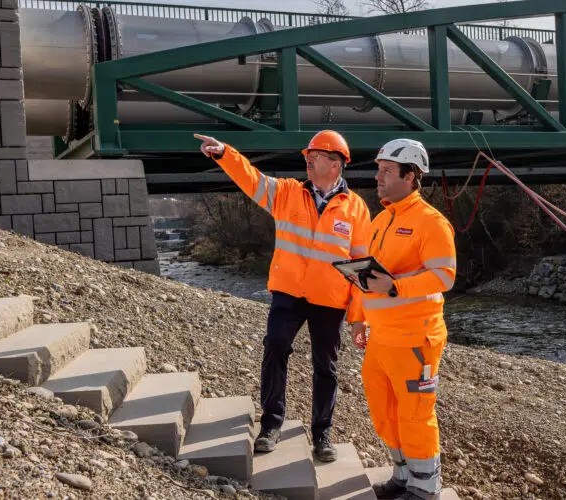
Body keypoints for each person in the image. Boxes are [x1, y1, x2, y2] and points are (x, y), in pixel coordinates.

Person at [195, 130, 371, 462]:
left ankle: (322, 434)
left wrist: (359, 317)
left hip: (330, 301)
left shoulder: (356, 209)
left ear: (336, 164)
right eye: (308, 156)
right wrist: (224, 153)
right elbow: (252, 180)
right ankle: (271, 425)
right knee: (275, 347)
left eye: (315, 157)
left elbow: (361, 269)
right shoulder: (288, 192)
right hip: (288, 293)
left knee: (327, 368)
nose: (308, 160)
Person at [351, 139, 456, 499]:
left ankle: (426, 487)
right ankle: (403, 475)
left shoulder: (431, 222)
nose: (377, 177)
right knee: (384, 410)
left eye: (386, 171)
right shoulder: (381, 219)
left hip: (416, 338)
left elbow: (444, 276)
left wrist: (396, 287)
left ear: (410, 176)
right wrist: (360, 318)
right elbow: (374, 278)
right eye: (378, 169)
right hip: (381, 338)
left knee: (414, 414)